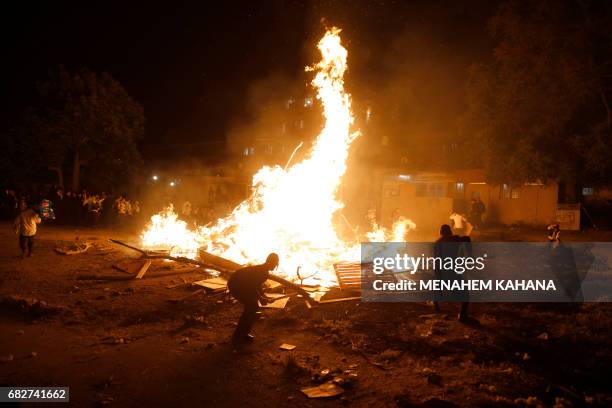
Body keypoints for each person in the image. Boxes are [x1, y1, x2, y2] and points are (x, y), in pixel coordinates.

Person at [227, 253, 279, 343]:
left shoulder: (263, 271)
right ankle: (238, 336)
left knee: (252, 307)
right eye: (275, 264)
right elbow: (251, 286)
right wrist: (260, 298)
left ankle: (243, 333)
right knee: (251, 307)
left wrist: (264, 296)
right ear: (271, 263)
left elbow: (257, 285)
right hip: (236, 285)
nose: (275, 267)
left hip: (242, 284)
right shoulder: (262, 272)